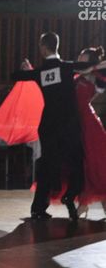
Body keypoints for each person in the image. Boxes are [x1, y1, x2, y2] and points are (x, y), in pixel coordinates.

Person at [12, 32, 92, 221]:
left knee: (47, 166)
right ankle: (70, 195)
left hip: (49, 127)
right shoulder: (67, 67)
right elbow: (87, 66)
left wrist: (28, 70)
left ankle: (38, 208)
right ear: (57, 45)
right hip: (69, 126)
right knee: (77, 164)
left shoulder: (40, 72)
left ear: (43, 47)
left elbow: (16, 76)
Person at [73, 47, 106, 217]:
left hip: (90, 124)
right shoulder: (75, 75)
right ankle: (83, 203)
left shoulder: (96, 76)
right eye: (79, 56)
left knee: (96, 165)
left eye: (82, 57)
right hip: (76, 123)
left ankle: (96, 204)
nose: (79, 59)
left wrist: (92, 68)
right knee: (82, 166)